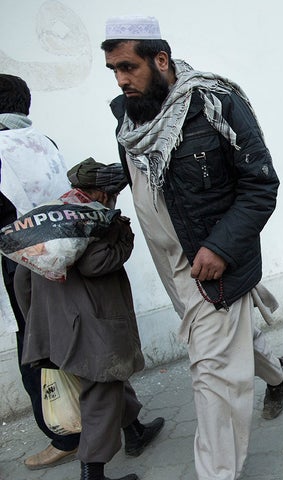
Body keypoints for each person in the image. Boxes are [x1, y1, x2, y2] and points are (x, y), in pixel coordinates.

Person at [100, 16, 283, 480]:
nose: (122, 79)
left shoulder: (216, 103)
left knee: (212, 376)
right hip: (170, 263)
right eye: (114, 70)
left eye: (129, 66)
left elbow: (260, 186)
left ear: (160, 59)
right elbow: (149, 169)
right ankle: (278, 374)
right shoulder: (127, 112)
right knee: (234, 343)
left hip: (212, 263)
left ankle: (216, 473)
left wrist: (221, 249)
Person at [14, 158, 164, 480]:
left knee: (109, 380)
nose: (114, 199)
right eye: (112, 194)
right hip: (93, 325)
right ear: (100, 193)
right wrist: (125, 238)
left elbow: (21, 281)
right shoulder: (95, 220)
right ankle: (92, 473)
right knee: (100, 394)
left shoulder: (52, 217)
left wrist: (41, 325)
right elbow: (97, 263)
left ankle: (135, 431)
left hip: (62, 329)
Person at [0, 73, 82, 470]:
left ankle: (63, 434)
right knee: (82, 331)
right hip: (68, 248)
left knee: (35, 344)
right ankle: (124, 423)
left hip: (23, 261)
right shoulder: (43, 141)